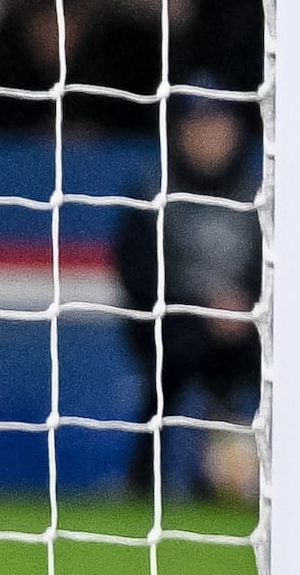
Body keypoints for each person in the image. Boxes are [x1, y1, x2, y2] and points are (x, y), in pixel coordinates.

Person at [110, 100, 264, 501]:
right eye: (198, 128)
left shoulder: (262, 195)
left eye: (218, 127)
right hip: (174, 323)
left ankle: (262, 474)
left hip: (251, 322)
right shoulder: (150, 190)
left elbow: (283, 265)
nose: (209, 139)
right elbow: (137, 272)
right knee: (170, 361)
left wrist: (245, 306)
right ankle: (146, 479)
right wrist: (198, 306)